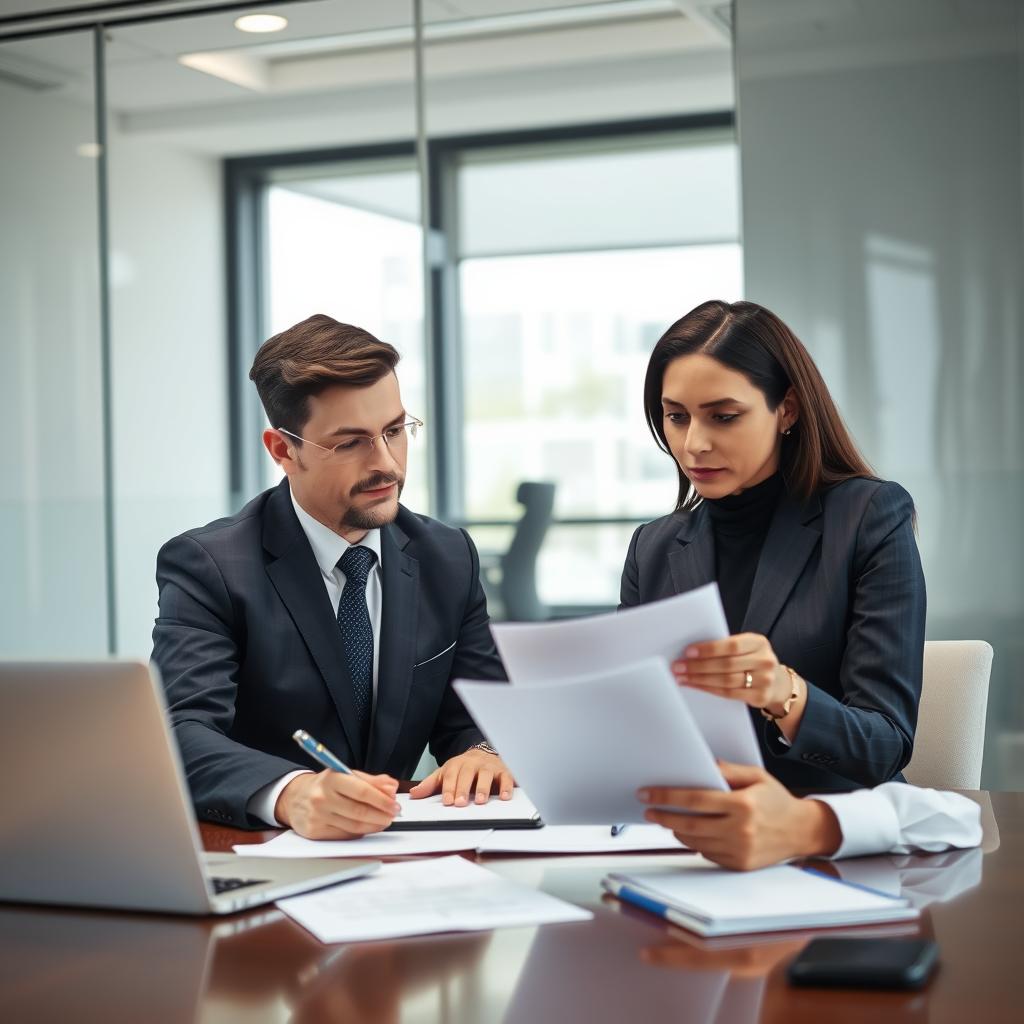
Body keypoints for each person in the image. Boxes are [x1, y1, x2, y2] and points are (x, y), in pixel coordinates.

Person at [152, 314, 511, 839]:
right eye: (350, 443)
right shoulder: (209, 566)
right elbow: (179, 733)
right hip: (263, 856)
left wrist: (485, 750)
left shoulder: (446, 556)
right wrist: (292, 794)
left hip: (408, 861)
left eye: (394, 431)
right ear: (282, 450)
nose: (387, 464)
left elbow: (480, 713)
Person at [621, 298, 938, 865]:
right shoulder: (655, 547)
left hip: (831, 848)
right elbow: (640, 727)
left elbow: (884, 747)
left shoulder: (867, 517)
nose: (694, 443)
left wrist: (781, 691)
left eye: (723, 416)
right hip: (690, 848)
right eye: (676, 416)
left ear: (786, 409)